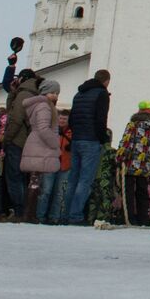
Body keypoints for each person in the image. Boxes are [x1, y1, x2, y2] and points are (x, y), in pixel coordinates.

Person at [65, 69, 110, 225]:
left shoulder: (79, 94)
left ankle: (66, 213)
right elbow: (100, 119)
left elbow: (71, 119)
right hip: (91, 140)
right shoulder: (102, 94)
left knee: (72, 179)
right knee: (85, 180)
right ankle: (76, 215)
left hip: (76, 139)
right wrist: (103, 138)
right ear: (106, 81)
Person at [116, 100, 150, 227]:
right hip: (146, 167)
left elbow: (126, 143)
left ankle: (129, 218)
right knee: (143, 192)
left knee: (128, 192)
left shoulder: (132, 126)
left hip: (130, 165)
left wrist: (119, 158)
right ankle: (143, 218)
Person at [19, 79, 62, 224]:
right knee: (36, 181)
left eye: (56, 93)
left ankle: (29, 213)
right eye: (52, 92)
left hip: (36, 143)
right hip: (41, 145)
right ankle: (29, 214)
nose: (55, 96)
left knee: (34, 181)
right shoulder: (44, 106)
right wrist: (55, 143)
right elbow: (44, 128)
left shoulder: (39, 105)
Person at [2, 68, 40, 218]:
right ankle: (24, 210)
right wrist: (12, 92)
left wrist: (7, 139)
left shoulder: (23, 94)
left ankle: (19, 210)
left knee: (15, 177)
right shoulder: (33, 93)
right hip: (29, 143)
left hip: (18, 141)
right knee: (24, 178)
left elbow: (15, 118)